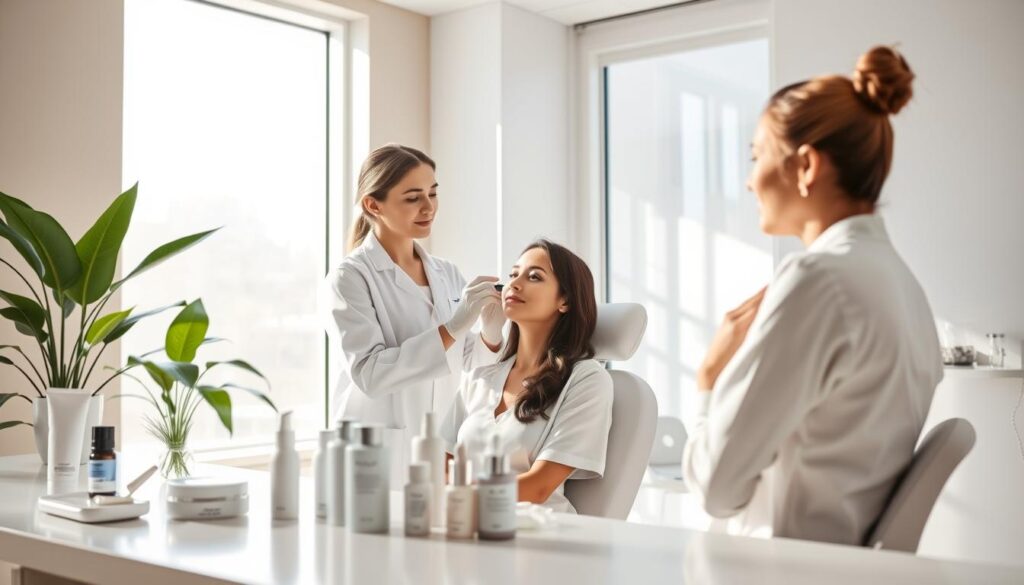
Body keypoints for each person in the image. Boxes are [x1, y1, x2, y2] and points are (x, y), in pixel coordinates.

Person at [682, 46, 943, 545]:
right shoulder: (905, 288)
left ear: (804, 166)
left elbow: (716, 490)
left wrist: (709, 379)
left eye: (757, 156)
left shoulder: (818, 279)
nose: (748, 179)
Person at [320, 144, 504, 484]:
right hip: (375, 455)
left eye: (433, 193)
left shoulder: (446, 273)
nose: (429, 207)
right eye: (413, 197)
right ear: (373, 205)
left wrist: (491, 334)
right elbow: (370, 373)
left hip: (436, 448)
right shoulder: (350, 278)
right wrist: (452, 327)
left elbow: (464, 361)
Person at [441, 240, 612, 513]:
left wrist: (460, 495)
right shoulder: (480, 377)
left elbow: (538, 488)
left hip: (537, 537)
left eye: (534, 277)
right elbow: (442, 464)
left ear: (565, 300)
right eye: (512, 275)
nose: (515, 284)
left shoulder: (586, 380)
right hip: (466, 526)